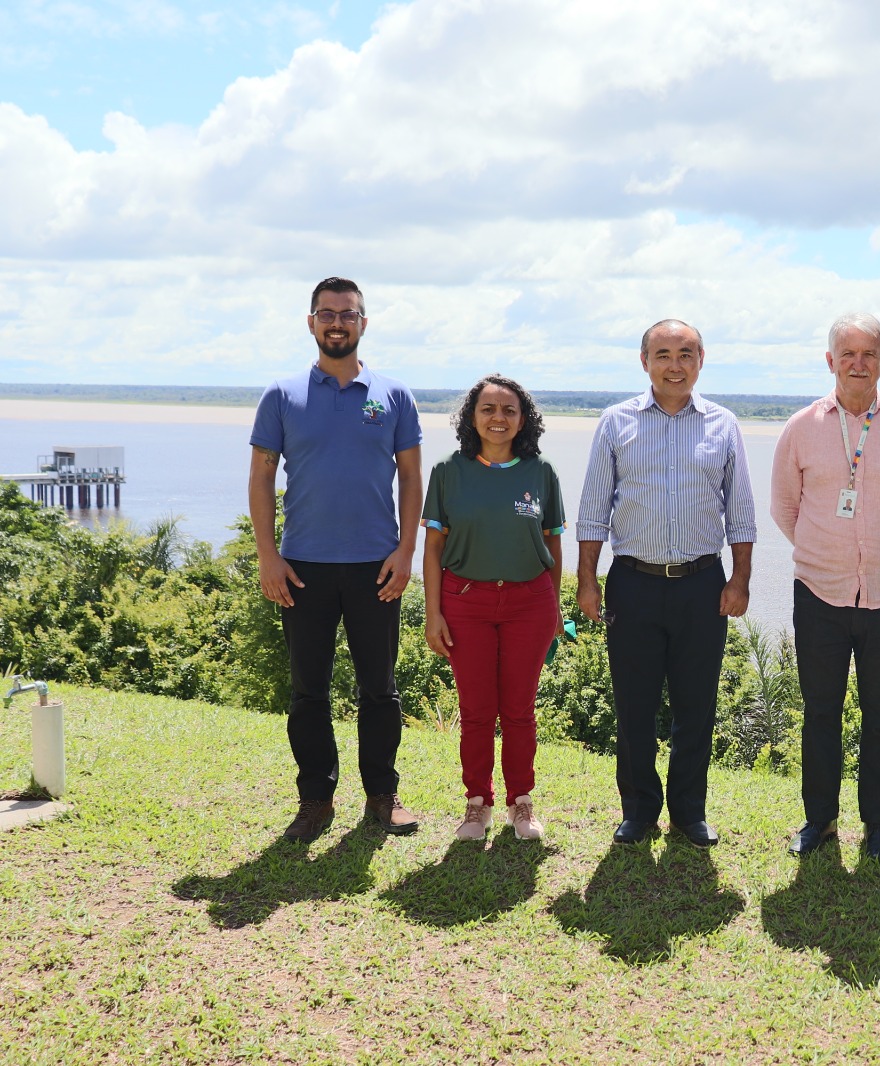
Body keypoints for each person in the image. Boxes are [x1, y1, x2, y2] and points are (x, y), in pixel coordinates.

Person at [248, 277, 423, 842]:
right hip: (303, 567)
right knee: (308, 692)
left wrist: (405, 552)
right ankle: (315, 801)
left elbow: (412, 477)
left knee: (380, 689)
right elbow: (261, 474)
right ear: (311, 322)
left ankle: (381, 796)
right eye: (327, 314)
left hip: (376, 566)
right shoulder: (281, 394)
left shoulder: (393, 395)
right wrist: (267, 555)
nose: (337, 323)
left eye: (348, 314)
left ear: (363, 323)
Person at [575, 319, 757, 848]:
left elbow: (740, 511)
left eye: (685, 354)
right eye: (663, 354)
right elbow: (593, 509)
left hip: (702, 585)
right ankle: (638, 811)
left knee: (695, 707)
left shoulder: (723, 425)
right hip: (632, 583)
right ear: (644, 361)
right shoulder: (616, 422)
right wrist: (587, 579)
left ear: (701, 360)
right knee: (633, 706)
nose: (674, 365)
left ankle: (689, 813)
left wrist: (740, 578)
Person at [771, 312, 880, 862]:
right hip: (818, 593)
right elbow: (784, 508)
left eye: (869, 355)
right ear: (830, 360)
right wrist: (826, 552)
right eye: (848, 354)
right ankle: (819, 820)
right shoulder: (801, 427)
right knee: (821, 714)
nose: (858, 364)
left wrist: (877, 549)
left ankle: (878, 827)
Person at [421, 374, 564, 842]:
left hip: (530, 602)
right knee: (478, 709)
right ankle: (476, 804)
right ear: (472, 417)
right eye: (488, 409)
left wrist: (553, 604)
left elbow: (553, 543)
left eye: (509, 410)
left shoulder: (540, 473)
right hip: (466, 603)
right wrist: (433, 612)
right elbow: (433, 549)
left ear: (524, 419)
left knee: (519, 710)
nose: (498, 418)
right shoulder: (448, 472)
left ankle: (521, 802)